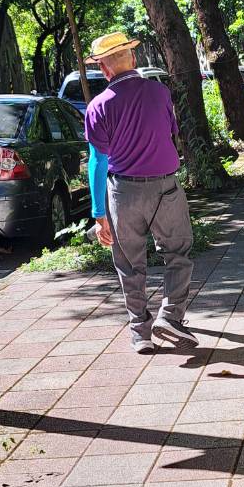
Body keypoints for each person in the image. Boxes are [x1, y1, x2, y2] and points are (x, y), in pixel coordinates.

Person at [83, 32, 197, 354]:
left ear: (104, 69)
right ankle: (171, 316)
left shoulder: (97, 106)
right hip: (165, 188)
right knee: (177, 252)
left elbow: (97, 162)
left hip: (123, 193)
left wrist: (99, 214)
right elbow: (170, 133)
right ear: (133, 59)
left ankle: (140, 334)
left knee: (129, 263)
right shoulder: (160, 92)